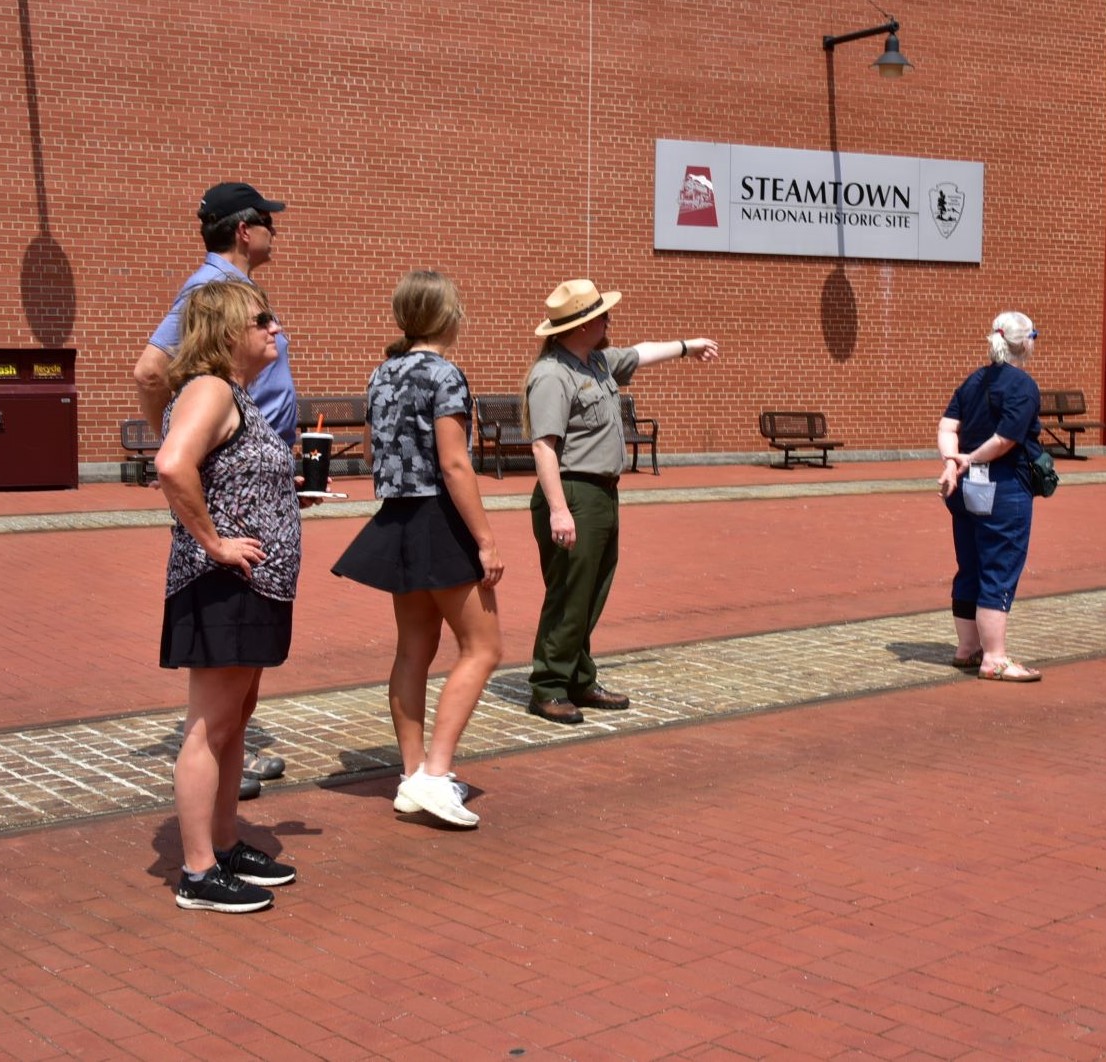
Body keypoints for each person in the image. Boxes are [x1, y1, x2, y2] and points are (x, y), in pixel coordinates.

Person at [133, 181, 297, 794]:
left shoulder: (235, 289)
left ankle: (224, 795)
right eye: (269, 224)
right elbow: (150, 370)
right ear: (243, 230)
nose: (275, 235)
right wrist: (196, 452)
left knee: (238, 684)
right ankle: (206, 842)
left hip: (257, 482)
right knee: (219, 687)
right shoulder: (212, 292)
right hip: (235, 501)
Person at [332, 271, 503, 826]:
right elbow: (455, 463)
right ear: (447, 315)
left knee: (412, 650)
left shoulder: (381, 373)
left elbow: (373, 453)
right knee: (483, 648)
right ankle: (434, 773)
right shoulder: (445, 373)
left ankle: (412, 776)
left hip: (397, 517)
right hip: (438, 518)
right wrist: (485, 538)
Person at [155, 280, 304, 913]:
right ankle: (197, 873)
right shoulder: (210, 389)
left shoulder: (235, 395)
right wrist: (216, 544)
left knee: (235, 721)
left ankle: (223, 842)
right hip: (223, 584)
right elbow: (172, 464)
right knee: (209, 727)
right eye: (262, 319)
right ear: (224, 334)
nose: (275, 328)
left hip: (254, 583)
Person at [523, 279, 719, 724]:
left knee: (592, 590)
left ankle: (577, 676)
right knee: (571, 591)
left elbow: (643, 351)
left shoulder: (596, 364)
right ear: (581, 325)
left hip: (602, 493)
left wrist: (688, 346)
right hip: (573, 491)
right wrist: (558, 508)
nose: (610, 320)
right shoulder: (553, 374)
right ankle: (549, 685)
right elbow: (544, 447)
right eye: (602, 315)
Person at [936, 311, 1047, 683]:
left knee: (970, 564)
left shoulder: (973, 381)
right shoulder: (1023, 386)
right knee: (998, 568)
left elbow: (948, 425)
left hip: (965, 489)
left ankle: (968, 649)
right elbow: (1005, 440)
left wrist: (953, 462)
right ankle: (995, 658)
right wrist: (968, 458)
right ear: (1025, 342)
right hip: (1004, 489)